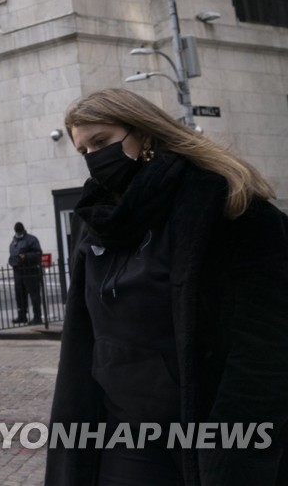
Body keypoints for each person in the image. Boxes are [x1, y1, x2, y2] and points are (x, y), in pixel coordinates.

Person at [45, 89, 288, 485]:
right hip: (122, 435)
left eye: (102, 141)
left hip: (204, 430)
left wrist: (233, 455)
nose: (93, 158)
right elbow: (82, 341)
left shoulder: (228, 207)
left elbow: (264, 349)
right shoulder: (96, 223)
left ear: (143, 133)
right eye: (83, 150)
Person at [7, 221, 43, 325]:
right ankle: (22, 315)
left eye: (19, 231)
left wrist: (26, 257)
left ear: (23, 230)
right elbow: (12, 255)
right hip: (18, 272)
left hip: (30, 271)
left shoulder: (31, 239)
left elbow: (38, 254)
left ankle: (37, 317)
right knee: (20, 294)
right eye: (17, 232)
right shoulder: (14, 242)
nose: (18, 233)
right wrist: (11, 260)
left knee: (34, 295)